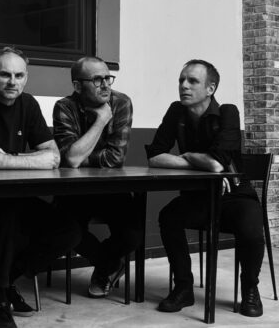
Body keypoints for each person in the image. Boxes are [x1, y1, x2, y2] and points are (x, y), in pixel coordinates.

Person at [0, 46, 81, 328]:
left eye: (19, 75)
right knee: (5, 212)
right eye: (5, 75)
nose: (12, 81)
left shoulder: (29, 104)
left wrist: (6, 155)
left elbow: (54, 157)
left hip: (14, 196)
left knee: (68, 230)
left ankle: (4, 280)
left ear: (26, 78)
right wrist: (30, 159)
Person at [146, 59, 265, 317]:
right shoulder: (176, 111)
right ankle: (183, 288)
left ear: (210, 88)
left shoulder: (228, 112)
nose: (184, 86)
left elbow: (217, 163)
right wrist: (196, 160)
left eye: (192, 81)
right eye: (181, 80)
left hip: (234, 195)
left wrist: (187, 156)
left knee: (252, 229)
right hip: (198, 196)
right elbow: (154, 156)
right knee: (169, 217)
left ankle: (250, 288)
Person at [53, 56, 141, 298]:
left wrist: (80, 154)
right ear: (77, 86)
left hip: (112, 189)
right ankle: (110, 266)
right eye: (97, 80)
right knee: (68, 232)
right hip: (74, 191)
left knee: (133, 235)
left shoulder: (121, 102)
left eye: (107, 78)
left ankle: (104, 266)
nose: (105, 85)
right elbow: (71, 160)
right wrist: (101, 121)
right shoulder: (64, 107)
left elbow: (115, 158)